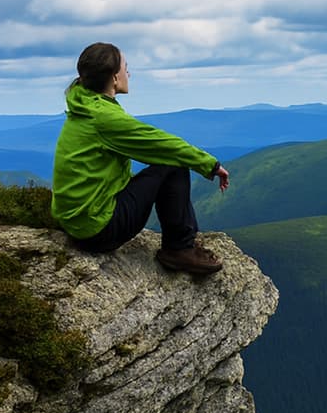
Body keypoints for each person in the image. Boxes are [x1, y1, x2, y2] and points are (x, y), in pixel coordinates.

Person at [51, 42, 231, 276]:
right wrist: (210, 165)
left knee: (165, 165)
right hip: (98, 230)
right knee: (173, 164)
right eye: (126, 68)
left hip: (76, 222)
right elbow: (164, 145)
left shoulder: (83, 106)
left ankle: (180, 247)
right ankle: (179, 249)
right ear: (115, 78)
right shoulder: (103, 117)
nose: (129, 73)